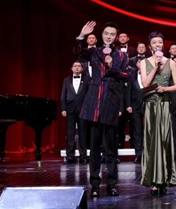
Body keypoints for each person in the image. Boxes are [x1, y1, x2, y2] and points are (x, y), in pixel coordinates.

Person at [79, 22, 129, 198]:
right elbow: (78, 53)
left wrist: (111, 66)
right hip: (94, 102)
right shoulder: (95, 52)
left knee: (111, 148)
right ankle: (94, 184)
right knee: (94, 148)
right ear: (102, 35)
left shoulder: (122, 55)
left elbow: (126, 75)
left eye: (112, 34)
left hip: (111, 102)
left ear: (116, 38)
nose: (108, 36)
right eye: (106, 33)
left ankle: (112, 183)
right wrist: (82, 36)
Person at [140, 32, 176, 195]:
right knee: (151, 141)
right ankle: (152, 180)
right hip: (150, 106)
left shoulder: (171, 62)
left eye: (160, 42)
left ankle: (165, 178)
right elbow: (145, 83)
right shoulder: (144, 62)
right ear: (150, 46)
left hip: (164, 105)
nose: (157, 45)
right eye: (154, 42)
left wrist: (165, 89)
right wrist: (156, 67)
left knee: (165, 140)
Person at [61, 61, 90, 164]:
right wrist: (63, 109)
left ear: (82, 69)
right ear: (72, 68)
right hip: (70, 109)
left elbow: (89, 95)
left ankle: (83, 156)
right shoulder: (66, 80)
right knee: (70, 133)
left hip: (83, 109)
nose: (77, 68)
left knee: (83, 133)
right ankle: (70, 156)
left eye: (79, 66)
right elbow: (63, 95)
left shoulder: (87, 80)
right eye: (75, 66)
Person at [125, 58, 145, 163]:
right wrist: (128, 105)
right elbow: (128, 91)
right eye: (139, 62)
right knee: (137, 131)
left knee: (148, 131)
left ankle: (149, 154)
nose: (141, 63)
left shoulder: (151, 75)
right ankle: (139, 154)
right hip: (135, 107)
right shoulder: (131, 76)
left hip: (148, 106)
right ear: (136, 64)